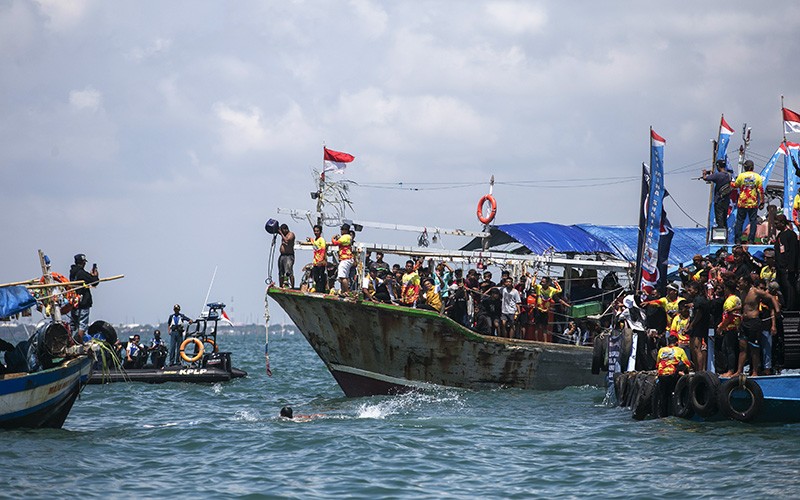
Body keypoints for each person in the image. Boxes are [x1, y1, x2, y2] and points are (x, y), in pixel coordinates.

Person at [735, 274, 780, 376]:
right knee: (742, 347)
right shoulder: (742, 292)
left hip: (753, 322)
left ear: (746, 283)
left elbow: (771, 297)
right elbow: (744, 306)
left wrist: (777, 309)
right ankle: (739, 371)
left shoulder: (755, 291)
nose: (739, 284)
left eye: (740, 282)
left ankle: (755, 371)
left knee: (754, 347)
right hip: (744, 322)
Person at [653, 334, 692, 417]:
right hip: (672, 375)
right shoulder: (680, 350)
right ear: (677, 342)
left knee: (663, 396)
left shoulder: (661, 350)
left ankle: (663, 415)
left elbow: (657, 364)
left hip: (662, 375)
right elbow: (687, 364)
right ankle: (674, 413)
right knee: (673, 393)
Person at [68, 254, 100, 341]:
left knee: (73, 324)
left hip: (75, 302)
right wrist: (95, 275)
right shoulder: (81, 273)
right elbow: (95, 282)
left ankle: (70, 341)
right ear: (82, 263)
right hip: (83, 303)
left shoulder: (73, 272)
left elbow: (88, 280)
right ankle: (79, 342)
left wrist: (90, 276)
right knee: (82, 324)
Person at [732, 159, 764, 244]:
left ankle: (738, 240)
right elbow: (760, 190)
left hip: (742, 202)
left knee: (739, 221)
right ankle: (751, 239)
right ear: (752, 167)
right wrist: (762, 201)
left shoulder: (741, 176)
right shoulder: (757, 177)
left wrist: (729, 182)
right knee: (753, 221)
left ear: (745, 167)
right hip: (753, 203)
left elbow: (735, 185)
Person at [774, 214, 799, 309]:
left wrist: (791, 267)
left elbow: (793, 252)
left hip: (787, 268)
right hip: (780, 267)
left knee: (789, 288)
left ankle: (791, 307)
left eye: (777, 224)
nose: (776, 226)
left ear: (783, 223)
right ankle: (784, 305)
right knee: (782, 287)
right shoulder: (780, 235)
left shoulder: (791, 235)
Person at [685, 281, 710, 372]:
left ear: (696, 290)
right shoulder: (695, 299)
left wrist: (692, 325)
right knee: (692, 348)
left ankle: (700, 370)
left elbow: (699, 314)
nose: (688, 291)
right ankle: (696, 369)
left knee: (697, 348)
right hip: (694, 327)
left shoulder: (700, 299)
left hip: (699, 327)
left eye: (690, 290)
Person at [702, 159, 733, 229]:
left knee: (719, 219)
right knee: (724, 219)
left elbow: (705, 178)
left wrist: (704, 173)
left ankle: (720, 235)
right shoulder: (729, 175)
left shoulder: (717, 175)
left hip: (719, 200)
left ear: (718, 166)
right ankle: (725, 235)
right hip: (726, 200)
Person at [331, 224, 354, 293]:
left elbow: (335, 243)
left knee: (342, 276)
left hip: (346, 258)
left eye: (342, 229)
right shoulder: (347, 237)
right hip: (346, 259)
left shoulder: (345, 237)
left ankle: (346, 291)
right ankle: (344, 291)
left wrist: (333, 238)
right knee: (344, 276)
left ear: (345, 230)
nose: (341, 231)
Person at [307, 225, 328, 293]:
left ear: (320, 232)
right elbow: (315, 244)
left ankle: (321, 290)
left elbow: (323, 250)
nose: (316, 232)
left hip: (320, 262)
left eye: (317, 231)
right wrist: (310, 239)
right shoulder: (316, 240)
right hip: (315, 262)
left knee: (321, 276)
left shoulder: (322, 240)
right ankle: (317, 288)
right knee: (315, 276)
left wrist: (321, 261)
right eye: (315, 231)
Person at [278, 224, 296, 288]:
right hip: (282, 255)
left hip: (289, 256)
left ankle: (292, 286)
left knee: (289, 272)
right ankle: (281, 286)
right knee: (281, 272)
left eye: (283, 231)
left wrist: (281, 233)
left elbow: (287, 240)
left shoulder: (291, 234)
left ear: (286, 229)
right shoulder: (284, 235)